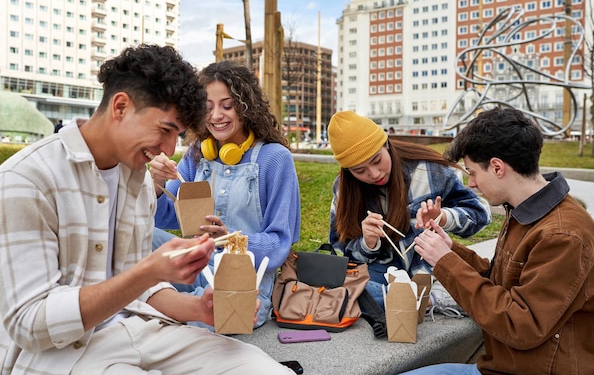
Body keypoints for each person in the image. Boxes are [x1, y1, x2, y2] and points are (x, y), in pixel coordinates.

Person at [0, 45, 294, 375]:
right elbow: (31, 324)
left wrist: (198, 308)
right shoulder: (23, 181)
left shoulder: (138, 181)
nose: (170, 150)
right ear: (120, 107)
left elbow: (143, 288)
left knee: (263, 368)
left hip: (139, 330)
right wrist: (149, 270)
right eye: (166, 130)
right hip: (56, 353)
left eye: (178, 135)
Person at [400, 107, 594, 375]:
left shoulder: (562, 235)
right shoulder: (530, 211)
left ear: (497, 167)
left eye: (473, 173)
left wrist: (445, 262)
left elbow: (522, 324)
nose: (471, 184)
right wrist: (450, 251)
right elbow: (499, 282)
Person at [150, 60, 300, 328]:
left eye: (227, 105)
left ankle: (173, 307)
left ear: (245, 107)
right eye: (207, 107)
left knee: (183, 323)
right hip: (196, 266)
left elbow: (279, 243)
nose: (216, 115)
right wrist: (156, 183)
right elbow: (164, 218)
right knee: (138, 235)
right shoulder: (196, 155)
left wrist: (232, 240)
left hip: (243, 283)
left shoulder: (275, 159)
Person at [327, 111, 492, 308]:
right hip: (378, 275)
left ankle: (418, 298)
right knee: (348, 286)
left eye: (377, 160)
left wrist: (444, 217)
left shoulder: (429, 170)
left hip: (429, 273)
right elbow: (341, 252)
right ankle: (417, 300)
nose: (374, 173)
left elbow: (481, 213)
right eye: (359, 170)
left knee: (355, 295)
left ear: (386, 144)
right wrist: (367, 244)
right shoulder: (344, 189)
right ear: (348, 171)